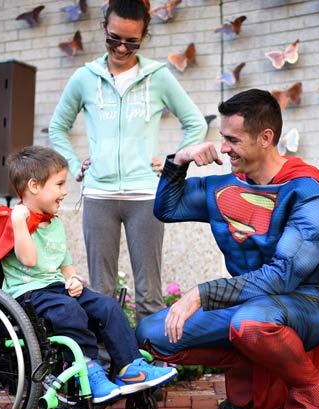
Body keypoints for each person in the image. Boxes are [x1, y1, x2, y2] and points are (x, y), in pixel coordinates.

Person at [135, 89, 319, 409]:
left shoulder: (308, 192)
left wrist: (202, 295)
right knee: (153, 333)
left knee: (250, 324)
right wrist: (181, 159)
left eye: (232, 139)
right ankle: (245, 365)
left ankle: (311, 393)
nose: (223, 148)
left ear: (266, 138)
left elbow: (282, 276)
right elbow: (167, 209)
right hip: (249, 303)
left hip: (306, 303)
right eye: (222, 138)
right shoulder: (225, 186)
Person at [49, 0, 207, 324]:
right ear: (104, 29)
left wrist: (172, 165)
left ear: (144, 35)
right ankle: (108, 364)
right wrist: (75, 165)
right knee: (102, 293)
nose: (122, 48)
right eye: (114, 39)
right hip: (99, 196)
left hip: (145, 197)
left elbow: (196, 123)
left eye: (131, 41)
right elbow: (58, 127)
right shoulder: (84, 78)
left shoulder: (158, 77)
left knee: (150, 293)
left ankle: (156, 361)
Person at [1, 145, 177, 404]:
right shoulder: (15, 221)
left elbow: (66, 264)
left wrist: (72, 278)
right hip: (29, 294)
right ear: (35, 186)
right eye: (59, 184)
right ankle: (90, 370)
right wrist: (19, 221)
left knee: (106, 305)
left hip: (56, 289)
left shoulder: (55, 222)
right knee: (69, 311)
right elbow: (29, 260)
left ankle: (130, 368)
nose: (64, 191)